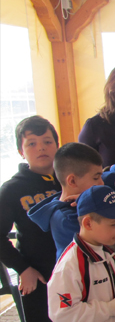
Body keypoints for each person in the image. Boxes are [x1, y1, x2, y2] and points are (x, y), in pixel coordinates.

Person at [47, 185, 115, 321]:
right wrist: (112, 308)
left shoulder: (107, 253)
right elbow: (63, 315)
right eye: (114, 224)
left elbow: (108, 288)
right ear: (88, 224)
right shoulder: (70, 266)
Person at [0, 116, 61, 322]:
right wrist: (23, 269)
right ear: (21, 151)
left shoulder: (72, 179)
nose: (41, 148)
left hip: (75, 271)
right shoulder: (11, 189)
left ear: (57, 146)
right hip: (38, 275)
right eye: (32, 144)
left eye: (47, 141)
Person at [28, 143, 104, 260]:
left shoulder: (77, 205)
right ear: (72, 181)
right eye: (95, 178)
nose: (101, 183)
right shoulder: (67, 218)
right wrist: (95, 204)